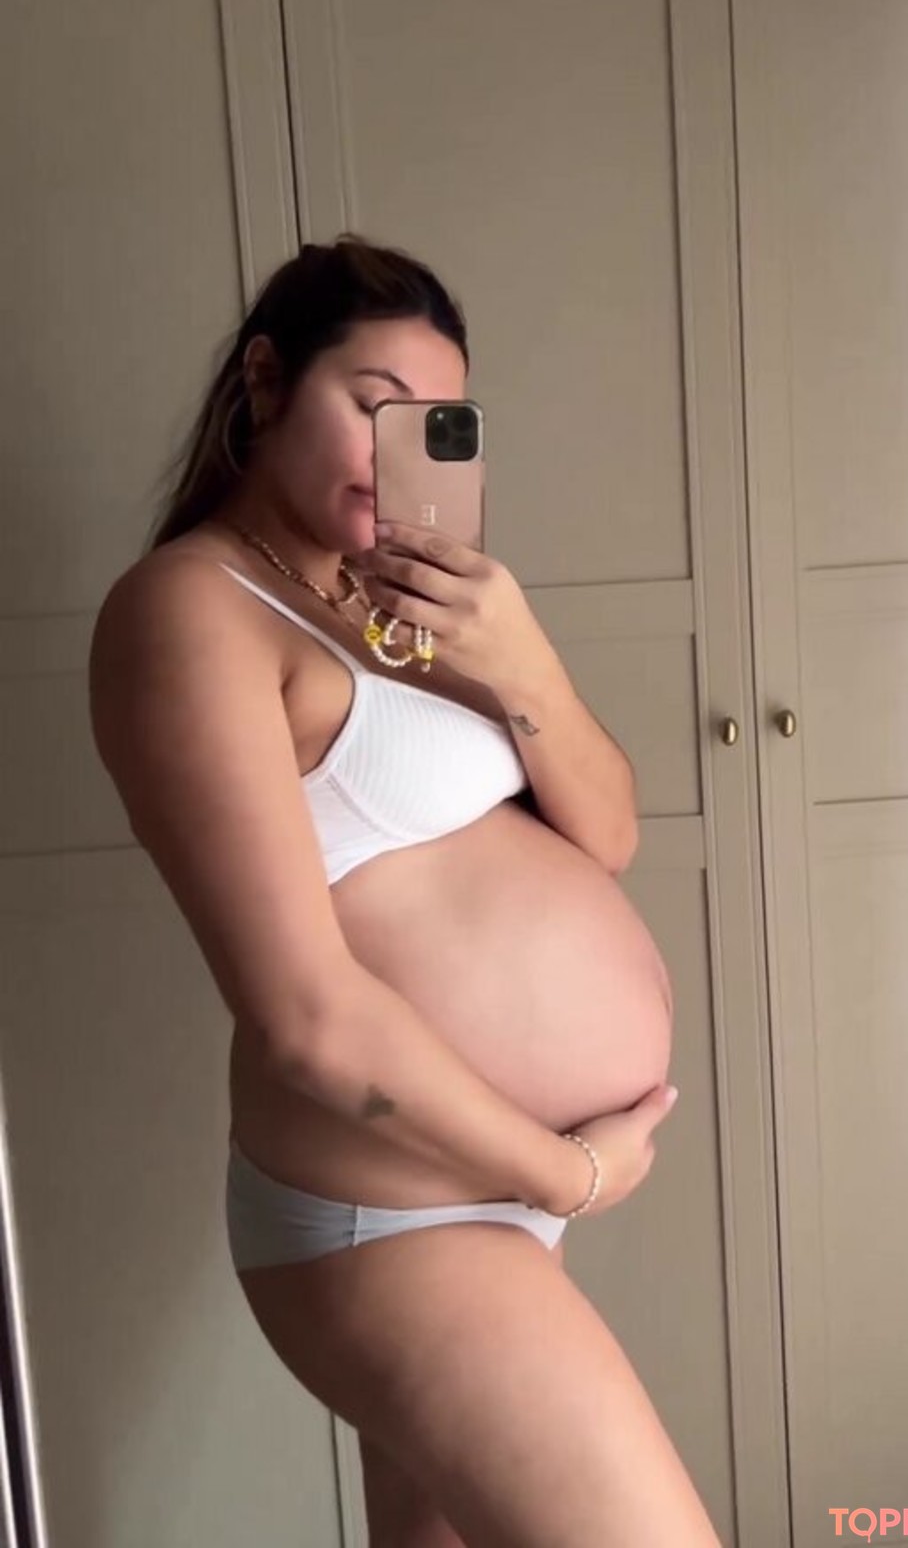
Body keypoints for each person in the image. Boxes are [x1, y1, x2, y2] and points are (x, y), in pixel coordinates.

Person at [89, 235, 724, 1548]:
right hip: (396, 1219)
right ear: (267, 383)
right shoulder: (190, 613)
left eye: (436, 424)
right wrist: (563, 1171)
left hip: (476, 1192)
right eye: (373, 405)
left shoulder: (397, 608)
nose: (401, 452)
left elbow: (604, 833)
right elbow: (304, 1018)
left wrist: (521, 655)